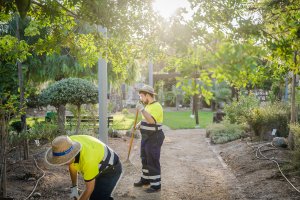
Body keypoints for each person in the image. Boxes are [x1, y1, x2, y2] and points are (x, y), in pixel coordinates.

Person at [45, 134, 122, 200]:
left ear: (72, 155)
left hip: (111, 169)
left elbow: (89, 189)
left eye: (64, 160)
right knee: (99, 195)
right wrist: (74, 187)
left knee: (96, 197)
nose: (62, 164)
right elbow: (72, 166)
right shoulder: (66, 144)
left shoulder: (88, 160)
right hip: (97, 162)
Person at [134, 84, 165, 193]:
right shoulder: (148, 106)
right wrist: (139, 123)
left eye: (142, 96)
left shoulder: (157, 106)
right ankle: (145, 180)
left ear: (147, 95)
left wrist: (141, 109)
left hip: (154, 137)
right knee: (145, 159)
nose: (141, 99)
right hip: (146, 137)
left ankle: (156, 185)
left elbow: (152, 121)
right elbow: (146, 119)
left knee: (152, 159)